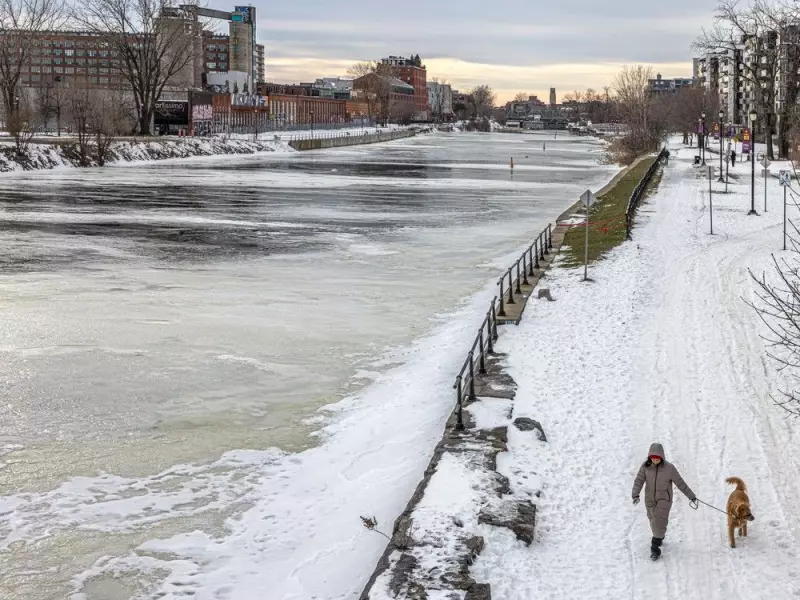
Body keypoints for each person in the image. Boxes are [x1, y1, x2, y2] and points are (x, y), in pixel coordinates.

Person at [631, 443, 697, 560]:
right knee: (653, 520)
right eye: (653, 457)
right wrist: (635, 494)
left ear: (662, 457)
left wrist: (691, 496)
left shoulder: (669, 468)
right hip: (650, 499)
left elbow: (680, 483)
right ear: (649, 457)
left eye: (657, 457)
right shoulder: (645, 467)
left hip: (664, 500)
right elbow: (639, 481)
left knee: (658, 521)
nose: (655, 459)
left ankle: (655, 548)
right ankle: (659, 536)